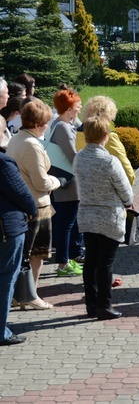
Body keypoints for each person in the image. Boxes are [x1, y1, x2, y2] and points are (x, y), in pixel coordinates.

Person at [6, 101, 65, 309]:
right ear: (39, 123)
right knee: (36, 256)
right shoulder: (32, 145)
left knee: (24, 255)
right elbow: (41, 182)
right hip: (36, 205)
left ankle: (18, 295)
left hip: (21, 203)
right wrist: (59, 181)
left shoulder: (16, 138)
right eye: (47, 122)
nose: (48, 126)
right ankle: (31, 296)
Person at [74, 116, 134, 320]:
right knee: (106, 264)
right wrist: (128, 202)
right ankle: (104, 306)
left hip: (87, 214)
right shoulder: (109, 160)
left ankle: (91, 304)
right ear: (105, 136)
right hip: (109, 217)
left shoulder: (79, 158)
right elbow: (126, 191)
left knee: (90, 261)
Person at [0, 143, 37, 345]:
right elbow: (22, 193)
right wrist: (33, 209)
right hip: (6, 228)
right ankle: (1, 332)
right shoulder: (3, 161)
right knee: (6, 278)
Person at [49, 89, 84, 277]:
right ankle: (63, 263)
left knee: (67, 223)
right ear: (70, 108)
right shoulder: (62, 127)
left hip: (67, 181)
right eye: (78, 105)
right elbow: (72, 156)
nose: (80, 108)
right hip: (67, 183)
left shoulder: (62, 124)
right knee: (66, 224)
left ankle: (67, 259)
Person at [75, 96, 135, 186]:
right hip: (108, 190)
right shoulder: (108, 137)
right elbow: (126, 170)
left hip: (86, 190)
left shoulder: (79, 134)